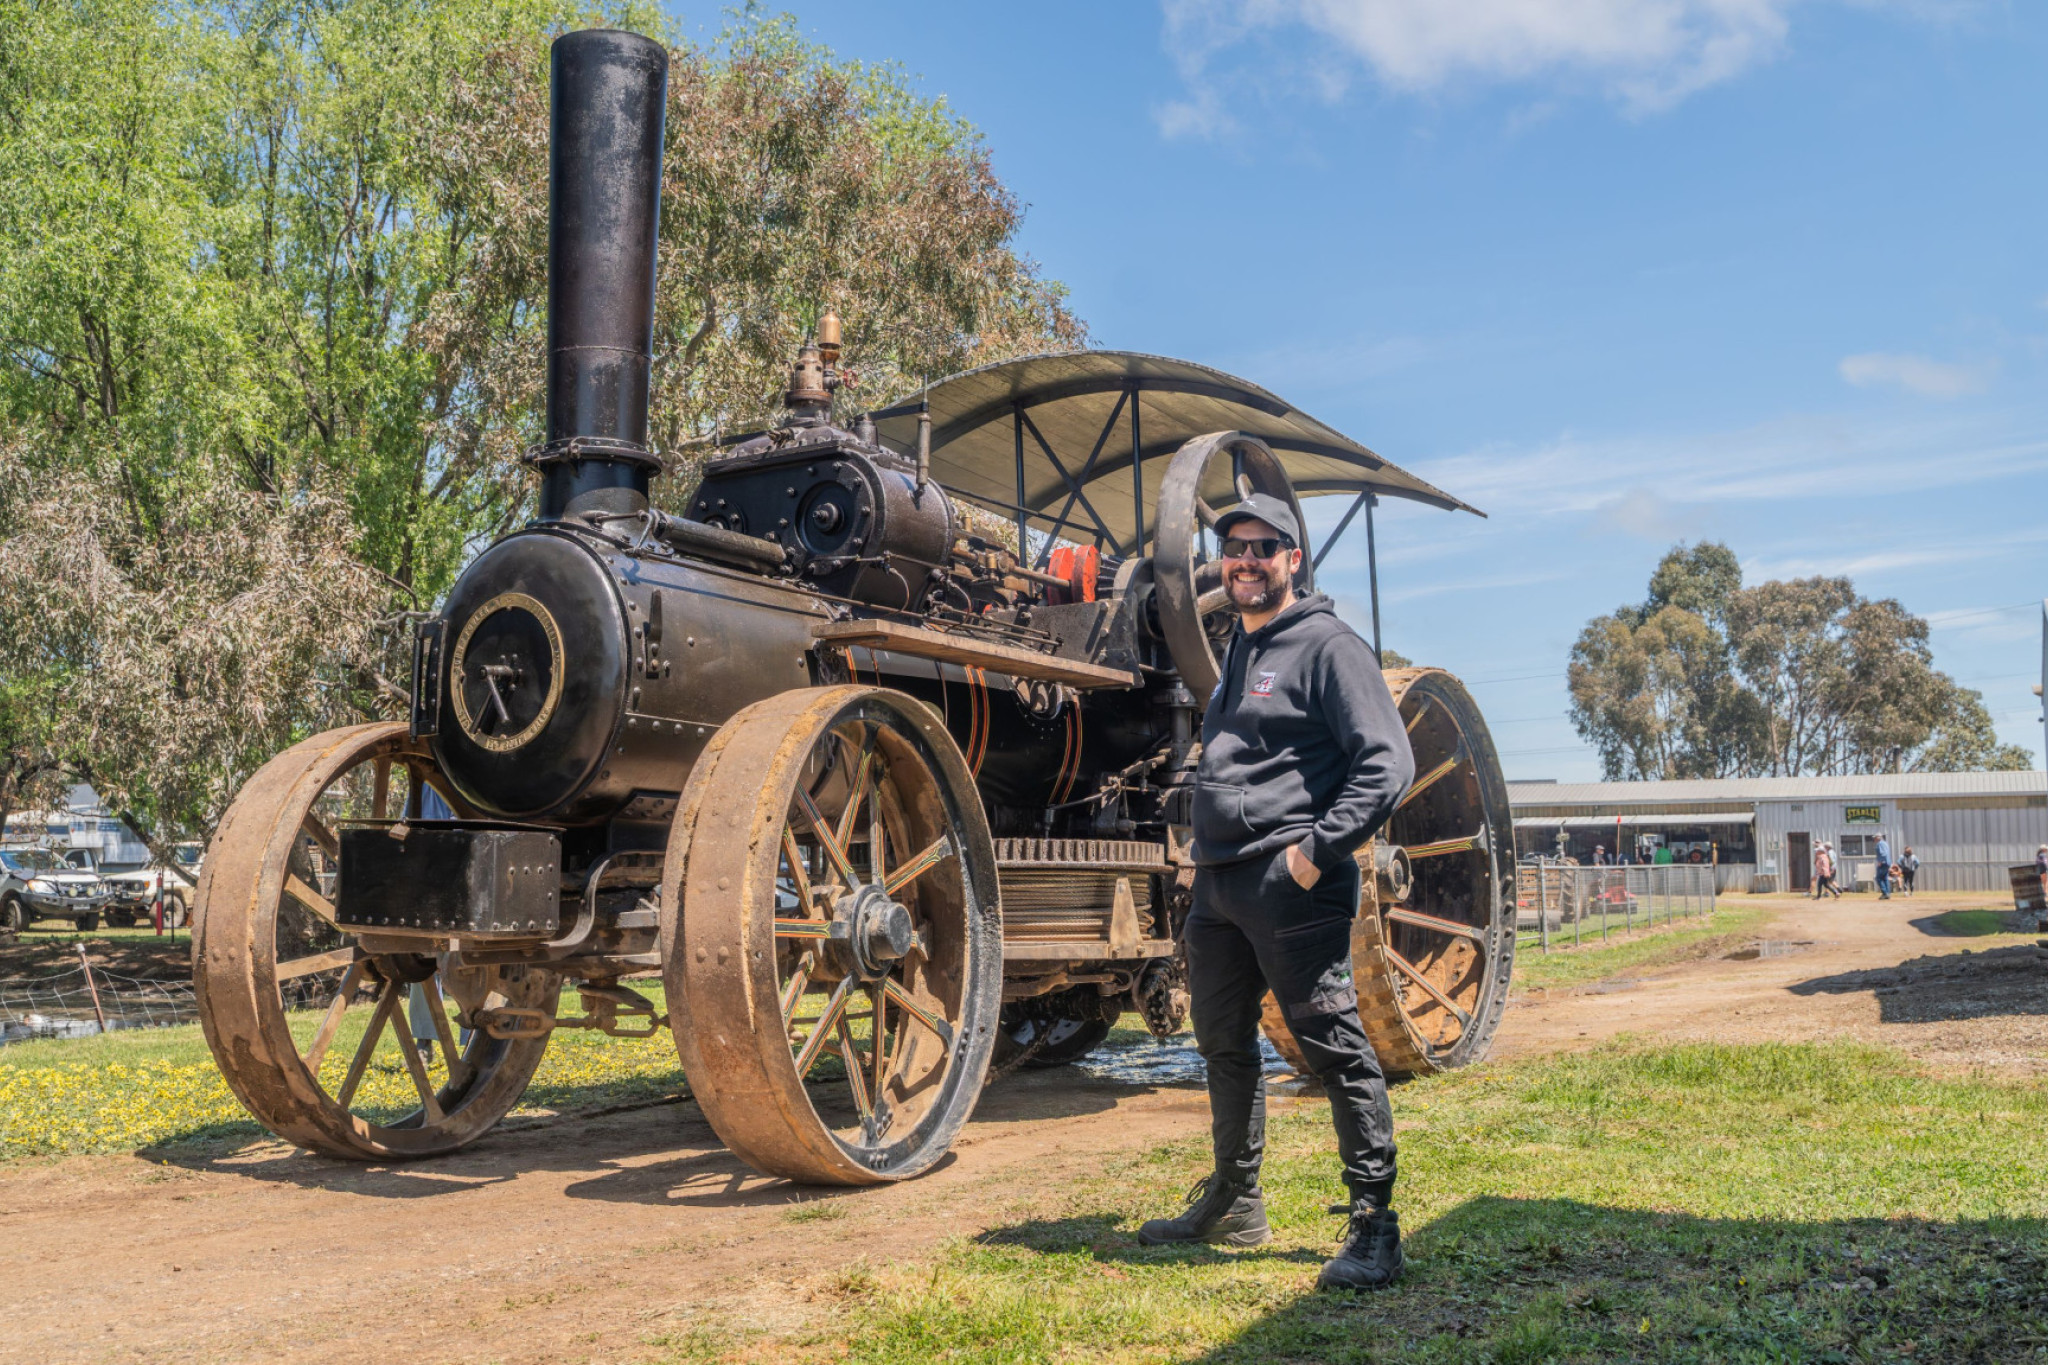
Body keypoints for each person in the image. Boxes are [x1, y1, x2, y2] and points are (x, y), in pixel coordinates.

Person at [1136, 493, 1415, 1293]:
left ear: (1294, 559)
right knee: (1222, 1043)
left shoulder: (1328, 646)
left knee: (1332, 1045)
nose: (1246, 560)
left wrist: (1313, 853)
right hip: (1219, 884)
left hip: (1289, 884)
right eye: (1234, 547)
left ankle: (1375, 1227)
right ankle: (1236, 1199)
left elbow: (1385, 764)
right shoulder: (1240, 649)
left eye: (1264, 547)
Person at [1875, 835, 1893, 900]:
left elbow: (1883, 853)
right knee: (1885, 878)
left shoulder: (1879, 844)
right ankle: (1888, 893)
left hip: (1883, 863)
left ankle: (1885, 893)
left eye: (1875, 838)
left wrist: (1880, 861)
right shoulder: (1885, 843)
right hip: (1887, 863)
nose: (1874, 839)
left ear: (1878, 838)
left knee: (1878, 878)